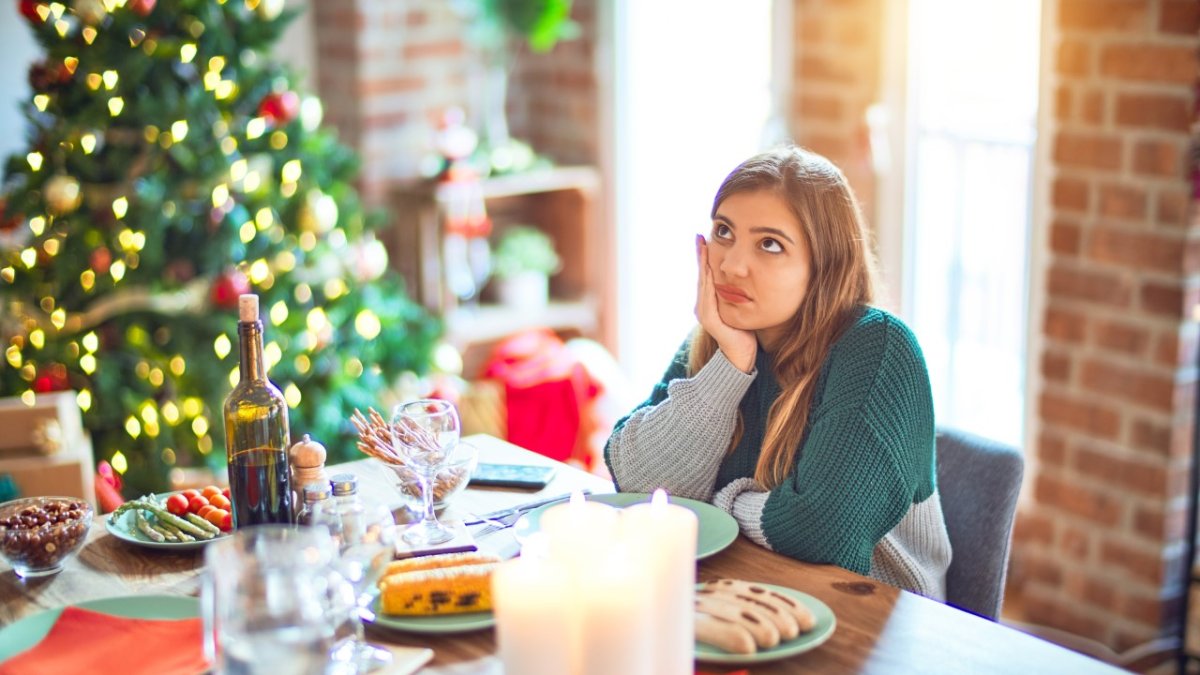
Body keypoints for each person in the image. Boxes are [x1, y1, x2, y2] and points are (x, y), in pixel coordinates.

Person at [604, 146, 951, 600]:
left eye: (770, 244)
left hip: (879, 624)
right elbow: (637, 481)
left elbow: (824, 529)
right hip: (749, 595)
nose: (731, 265)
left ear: (824, 265)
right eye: (724, 232)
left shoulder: (878, 346)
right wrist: (729, 367)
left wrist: (719, 503)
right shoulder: (719, 336)